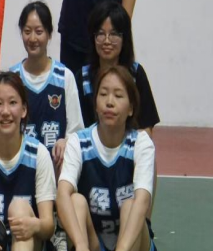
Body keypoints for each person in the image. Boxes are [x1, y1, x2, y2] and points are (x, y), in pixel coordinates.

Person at [57, 66, 157, 251]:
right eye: (103, 94)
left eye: (118, 96)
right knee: (75, 201)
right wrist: (80, 245)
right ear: (96, 104)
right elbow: (62, 193)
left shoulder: (141, 143)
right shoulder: (79, 142)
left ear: (131, 108)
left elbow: (143, 201)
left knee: (130, 205)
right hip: (94, 242)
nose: (109, 102)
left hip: (133, 243)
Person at [0, 72, 56, 251]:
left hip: (30, 244)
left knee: (19, 209)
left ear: (24, 110)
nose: (5, 112)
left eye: (12, 103)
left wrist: (34, 225)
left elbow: (48, 225)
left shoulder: (39, 154)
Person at [9, 1, 83, 172]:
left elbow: (76, 130)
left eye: (39, 31)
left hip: (56, 170)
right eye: (27, 31)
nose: (32, 38)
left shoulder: (64, 76)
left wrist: (66, 142)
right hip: (21, 169)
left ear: (49, 34)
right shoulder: (13, 78)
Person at [77, 1, 159, 132]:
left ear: (124, 38)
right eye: (100, 34)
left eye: (114, 34)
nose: (107, 41)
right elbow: (76, 126)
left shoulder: (136, 73)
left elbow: (146, 127)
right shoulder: (82, 77)